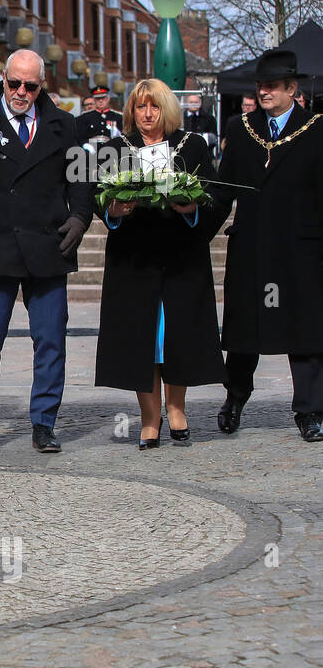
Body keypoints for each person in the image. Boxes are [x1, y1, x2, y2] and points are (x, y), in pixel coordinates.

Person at [0, 48, 95, 454]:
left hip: (48, 247)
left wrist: (80, 218)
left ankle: (44, 424)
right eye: (14, 83)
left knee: (51, 341)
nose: (21, 92)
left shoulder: (64, 125)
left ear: (40, 85)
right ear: (4, 79)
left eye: (30, 86)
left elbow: (82, 179)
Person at [94, 79, 229, 449]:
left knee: (177, 336)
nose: (147, 114)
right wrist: (114, 209)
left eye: (154, 107)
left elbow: (217, 194)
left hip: (180, 257)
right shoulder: (115, 148)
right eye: (140, 107)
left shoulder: (193, 145)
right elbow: (97, 196)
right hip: (134, 261)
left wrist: (192, 206)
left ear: (167, 109)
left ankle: (177, 409)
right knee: (143, 339)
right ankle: (149, 419)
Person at [216, 48, 323, 441]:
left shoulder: (316, 128)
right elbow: (223, 190)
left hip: (300, 250)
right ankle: (235, 398)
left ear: (291, 88)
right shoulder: (240, 127)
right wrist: (192, 220)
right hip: (252, 248)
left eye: (272, 86)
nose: (264, 92)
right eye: (260, 86)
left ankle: (310, 411)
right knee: (244, 333)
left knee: (306, 333)